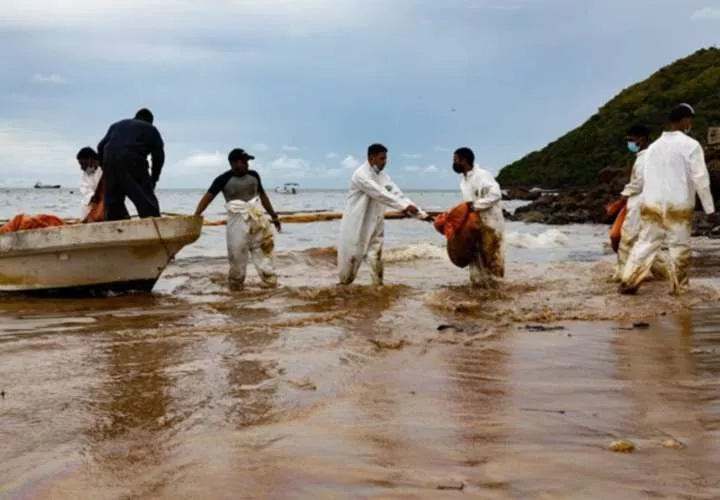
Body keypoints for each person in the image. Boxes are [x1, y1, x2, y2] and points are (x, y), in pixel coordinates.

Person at [620, 103, 717, 295]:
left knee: (645, 243)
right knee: (679, 247)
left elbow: (645, 179)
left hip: (652, 204)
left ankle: (628, 281)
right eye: (690, 119)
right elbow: (701, 179)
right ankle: (679, 289)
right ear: (685, 120)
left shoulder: (653, 148)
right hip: (678, 204)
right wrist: (709, 209)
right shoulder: (691, 145)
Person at [337, 143, 431, 286]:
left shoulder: (383, 177)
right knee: (349, 267)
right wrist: (404, 206)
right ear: (371, 158)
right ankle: (341, 294)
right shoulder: (360, 175)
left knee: (376, 259)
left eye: (386, 159)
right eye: (382, 158)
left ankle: (378, 291)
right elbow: (380, 194)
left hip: (376, 223)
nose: (385, 162)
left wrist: (422, 215)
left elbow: (397, 194)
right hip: (357, 225)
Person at [194, 148, 281, 290]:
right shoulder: (223, 179)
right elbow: (207, 199)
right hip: (236, 221)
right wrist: (196, 216)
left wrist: (274, 216)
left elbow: (263, 197)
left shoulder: (254, 176)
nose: (247, 164)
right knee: (237, 255)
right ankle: (236, 288)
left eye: (247, 162)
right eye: (244, 161)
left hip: (256, 218)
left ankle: (270, 284)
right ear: (234, 163)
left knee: (263, 252)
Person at [612, 125, 668, 282]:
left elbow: (639, 183)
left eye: (632, 140)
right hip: (649, 203)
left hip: (640, 204)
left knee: (627, 240)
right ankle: (665, 275)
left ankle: (623, 275)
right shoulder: (649, 156)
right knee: (649, 243)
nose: (629, 143)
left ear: (642, 139)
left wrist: (623, 195)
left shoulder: (645, 159)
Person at [97, 108, 165, 221]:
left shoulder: (116, 125)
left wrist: (105, 167)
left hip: (109, 160)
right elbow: (159, 157)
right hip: (132, 160)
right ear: (150, 121)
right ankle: (154, 225)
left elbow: (100, 147)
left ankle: (114, 226)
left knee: (113, 204)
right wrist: (153, 180)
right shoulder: (151, 129)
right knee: (147, 202)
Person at [451, 147, 505, 286]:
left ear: (464, 160)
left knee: (492, 261)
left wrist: (475, 206)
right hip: (474, 225)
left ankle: (498, 292)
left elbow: (496, 194)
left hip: (490, 224)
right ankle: (479, 290)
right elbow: (467, 204)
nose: (453, 163)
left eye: (455, 160)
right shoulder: (464, 181)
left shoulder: (482, 175)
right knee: (475, 260)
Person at [76, 147, 103, 219]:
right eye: (81, 165)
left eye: (84, 164)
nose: (81, 168)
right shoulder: (84, 177)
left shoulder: (104, 169)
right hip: (93, 205)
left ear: (91, 160)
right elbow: (90, 196)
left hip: (107, 203)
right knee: (85, 207)